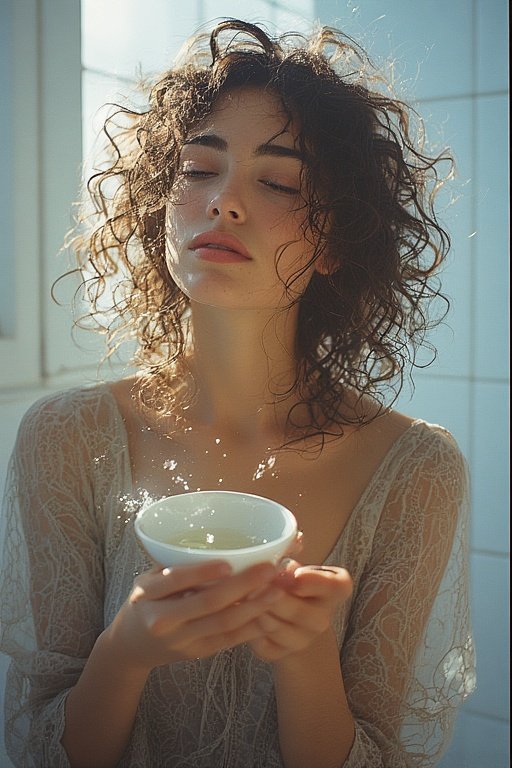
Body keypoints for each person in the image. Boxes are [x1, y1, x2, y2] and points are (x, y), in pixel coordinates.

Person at [0, 18, 475, 768]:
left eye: (280, 181)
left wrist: (305, 651)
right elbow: (38, 746)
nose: (223, 202)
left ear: (336, 241)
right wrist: (124, 654)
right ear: (159, 204)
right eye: (196, 170)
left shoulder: (415, 470)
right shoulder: (64, 437)